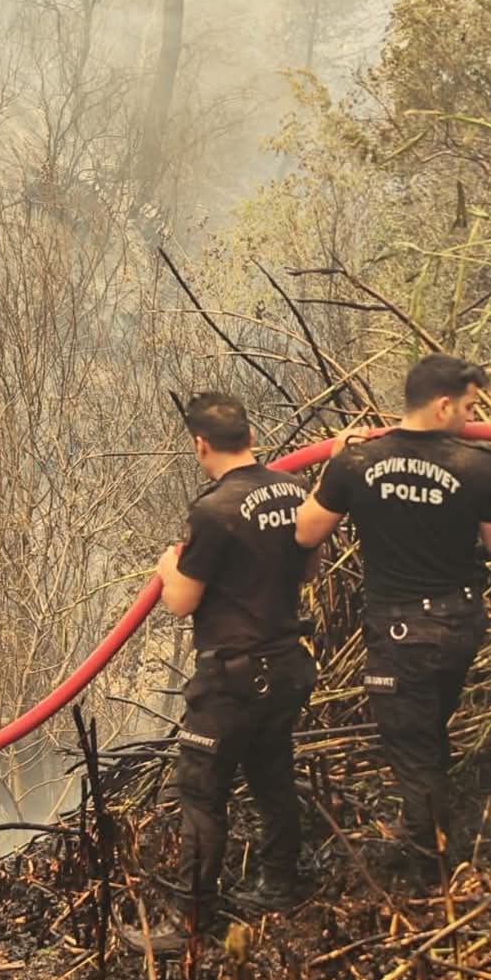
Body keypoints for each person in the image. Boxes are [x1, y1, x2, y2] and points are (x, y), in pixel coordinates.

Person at [295, 355, 491, 884]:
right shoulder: (477, 466)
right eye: (471, 406)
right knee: (428, 737)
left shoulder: (357, 463)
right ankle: (432, 842)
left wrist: (331, 465)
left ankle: (429, 876)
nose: (473, 415)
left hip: (400, 636)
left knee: (415, 753)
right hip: (458, 626)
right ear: (444, 403)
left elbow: (307, 532)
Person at [157, 392, 319, 925]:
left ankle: (192, 920)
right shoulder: (294, 489)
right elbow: (308, 567)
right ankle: (280, 884)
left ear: (200, 445)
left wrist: (166, 568)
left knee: (200, 791)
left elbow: (182, 602)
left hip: (233, 678)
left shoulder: (213, 510)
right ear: (251, 436)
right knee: (272, 774)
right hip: (287, 663)